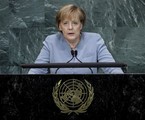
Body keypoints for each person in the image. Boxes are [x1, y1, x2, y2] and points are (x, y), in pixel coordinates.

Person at [28, 4, 124, 74]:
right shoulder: (51, 42)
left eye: (75, 23)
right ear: (59, 26)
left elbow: (112, 68)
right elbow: (36, 71)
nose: (70, 27)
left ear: (81, 25)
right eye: (65, 23)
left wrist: (122, 80)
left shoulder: (95, 40)